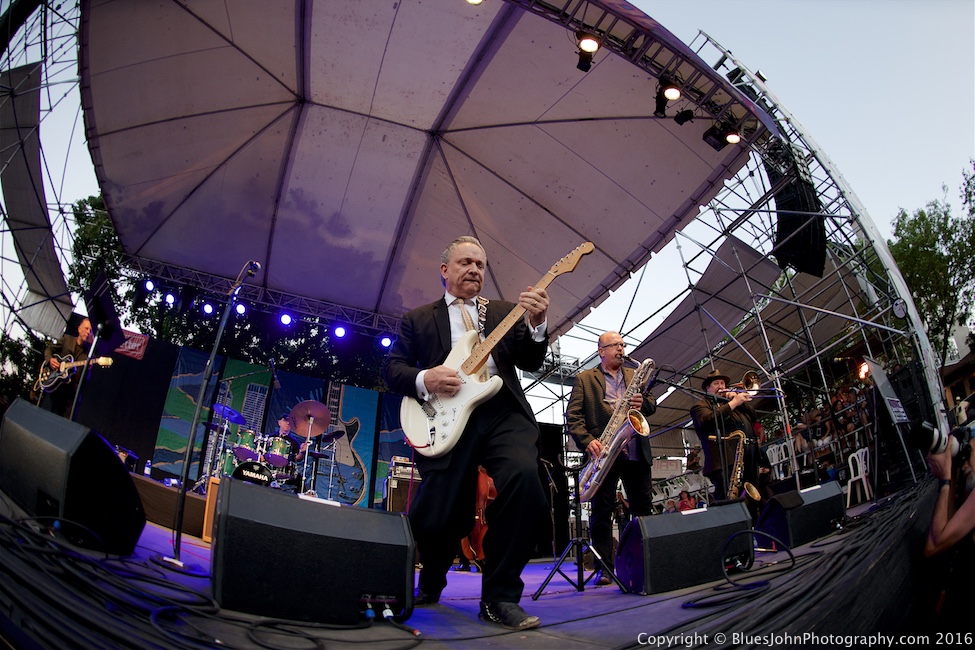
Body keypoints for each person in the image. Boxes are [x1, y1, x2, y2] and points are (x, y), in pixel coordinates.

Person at [382, 235, 549, 631]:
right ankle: (431, 579)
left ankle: (500, 597)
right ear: (445, 270)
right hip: (446, 416)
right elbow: (392, 369)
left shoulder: (505, 312)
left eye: (480, 264)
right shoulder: (418, 319)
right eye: (466, 262)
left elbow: (531, 361)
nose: (475, 269)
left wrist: (538, 325)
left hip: (501, 411)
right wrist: (426, 378)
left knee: (525, 481)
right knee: (439, 513)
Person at [566, 331, 656, 586]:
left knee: (643, 508)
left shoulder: (634, 375)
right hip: (604, 451)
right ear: (601, 351)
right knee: (602, 512)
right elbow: (573, 416)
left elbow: (651, 405)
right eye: (615, 345)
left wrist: (642, 402)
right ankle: (604, 568)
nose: (621, 349)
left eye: (623, 344)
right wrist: (587, 441)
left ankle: (646, 560)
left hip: (635, 448)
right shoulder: (585, 378)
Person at [690, 368, 770, 503]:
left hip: (748, 457)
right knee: (728, 499)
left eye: (722, 383)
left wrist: (736, 400)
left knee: (753, 497)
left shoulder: (730, 402)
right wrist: (733, 403)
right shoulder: (700, 406)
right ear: (708, 388)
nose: (721, 386)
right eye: (716, 383)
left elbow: (753, 416)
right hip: (725, 462)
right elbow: (709, 420)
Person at [38, 317, 93, 418]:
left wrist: (88, 370)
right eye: (86, 328)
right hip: (54, 383)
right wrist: (50, 360)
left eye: (91, 330)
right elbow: (49, 349)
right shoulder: (67, 339)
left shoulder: (88, 355)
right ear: (79, 329)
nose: (88, 332)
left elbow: (83, 381)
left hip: (68, 394)